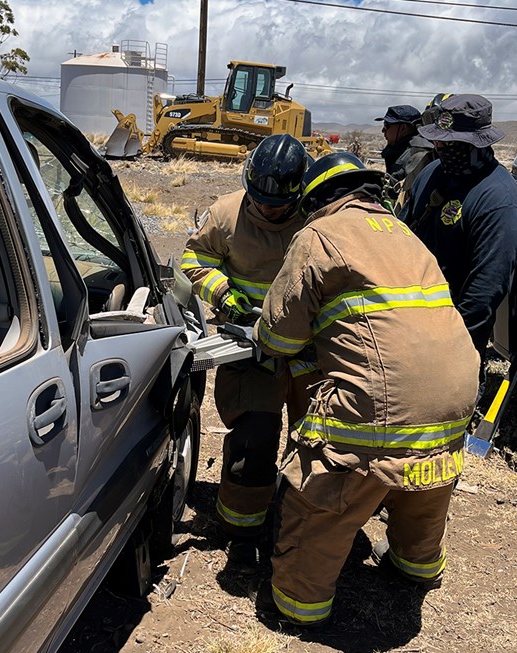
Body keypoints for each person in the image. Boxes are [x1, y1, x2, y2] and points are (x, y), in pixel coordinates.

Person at [252, 152, 479, 626]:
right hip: (456, 394)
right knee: (424, 481)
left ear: (314, 199)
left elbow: (279, 337)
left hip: (382, 404)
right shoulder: (405, 234)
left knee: (325, 490)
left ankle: (300, 603)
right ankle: (416, 565)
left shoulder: (318, 235)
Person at [180, 134, 319, 568]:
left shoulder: (317, 221)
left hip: (306, 351)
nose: (266, 210)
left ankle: (308, 527)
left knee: (317, 438)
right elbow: (190, 261)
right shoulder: (226, 214)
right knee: (254, 437)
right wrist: (224, 295)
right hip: (248, 345)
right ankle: (240, 529)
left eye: (277, 206)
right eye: (259, 201)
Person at [399, 94, 517, 398]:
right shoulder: (431, 174)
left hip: (454, 337)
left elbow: (485, 289)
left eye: (450, 144)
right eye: (439, 141)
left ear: (478, 144)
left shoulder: (497, 199)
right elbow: (403, 234)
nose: (440, 148)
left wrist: (450, 349)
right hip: (406, 321)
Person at [375, 105, 435, 212]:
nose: (383, 130)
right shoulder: (401, 150)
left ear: (403, 128)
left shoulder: (418, 154)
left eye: (387, 125)